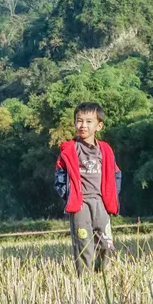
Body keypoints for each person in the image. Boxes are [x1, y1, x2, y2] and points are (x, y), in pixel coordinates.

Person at [54, 102, 123, 275]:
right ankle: (85, 281)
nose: (83, 125)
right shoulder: (70, 150)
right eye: (79, 121)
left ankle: (104, 276)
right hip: (80, 204)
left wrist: (112, 196)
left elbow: (116, 175)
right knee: (83, 243)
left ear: (99, 125)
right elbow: (60, 177)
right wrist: (68, 196)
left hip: (101, 202)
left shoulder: (105, 150)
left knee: (106, 243)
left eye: (88, 121)